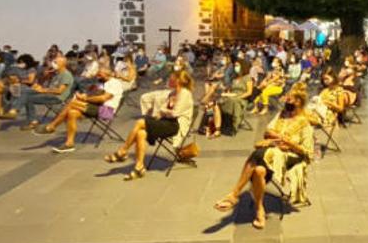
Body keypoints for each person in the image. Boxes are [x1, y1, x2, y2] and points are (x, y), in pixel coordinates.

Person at [213, 83, 315, 229]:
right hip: (273, 152)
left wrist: (289, 142)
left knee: (258, 154)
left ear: (298, 102)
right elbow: (268, 131)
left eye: (289, 99)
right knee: (259, 170)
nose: (285, 101)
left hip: (291, 156)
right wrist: (278, 137)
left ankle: (234, 194)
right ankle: (259, 209)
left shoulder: (305, 123)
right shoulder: (282, 115)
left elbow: (307, 151)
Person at [104, 70, 194, 180]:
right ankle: (139, 167)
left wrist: (164, 111)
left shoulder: (185, 93)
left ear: (178, 80)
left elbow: (175, 113)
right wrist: (163, 112)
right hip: (165, 122)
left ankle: (122, 151)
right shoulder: (172, 93)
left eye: (171, 77)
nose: (169, 79)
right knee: (141, 133)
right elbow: (163, 111)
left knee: (140, 122)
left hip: (175, 126)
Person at [36, 68, 124, 153]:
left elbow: (102, 98)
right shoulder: (101, 83)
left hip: (106, 110)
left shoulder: (114, 83)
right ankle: (69, 144)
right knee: (72, 113)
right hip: (95, 107)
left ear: (106, 74)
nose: (97, 76)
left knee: (72, 103)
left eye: (99, 74)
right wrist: (83, 95)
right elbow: (92, 94)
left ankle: (52, 126)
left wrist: (85, 99)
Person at [12, 56, 74, 130]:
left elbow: (59, 91)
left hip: (57, 98)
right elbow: (42, 82)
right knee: (26, 92)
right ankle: (16, 110)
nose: (53, 64)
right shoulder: (56, 73)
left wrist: (43, 90)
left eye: (55, 62)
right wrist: (45, 76)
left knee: (28, 98)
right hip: (48, 94)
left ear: (62, 64)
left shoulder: (66, 75)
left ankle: (23, 116)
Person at [0, 54, 37, 118]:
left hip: (25, 87)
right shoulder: (17, 69)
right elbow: (10, 77)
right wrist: (10, 78)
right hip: (14, 85)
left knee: (13, 87)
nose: (20, 64)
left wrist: (19, 80)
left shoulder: (31, 69)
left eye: (22, 62)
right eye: (19, 62)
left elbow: (31, 81)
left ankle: (2, 109)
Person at [217, 59, 254, 135]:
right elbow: (230, 89)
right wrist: (226, 91)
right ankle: (222, 123)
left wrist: (238, 96)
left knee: (234, 101)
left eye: (237, 66)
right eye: (235, 66)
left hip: (242, 97)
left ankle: (234, 126)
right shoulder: (234, 77)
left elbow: (249, 92)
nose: (235, 67)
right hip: (232, 95)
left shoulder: (247, 77)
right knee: (220, 100)